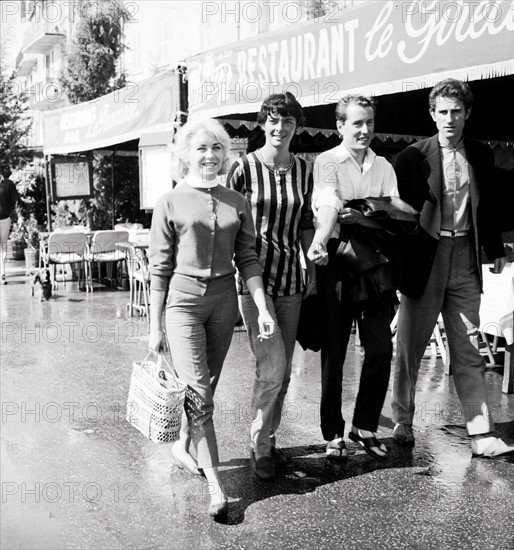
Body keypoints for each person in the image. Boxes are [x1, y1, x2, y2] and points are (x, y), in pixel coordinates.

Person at [148, 119, 276, 518]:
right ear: (186, 154)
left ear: (226, 154)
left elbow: (248, 259)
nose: (210, 155)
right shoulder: (169, 203)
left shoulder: (236, 202)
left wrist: (263, 306)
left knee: (206, 389)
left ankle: (184, 446)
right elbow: (159, 270)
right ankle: (219, 490)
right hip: (182, 306)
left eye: (217, 148)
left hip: (224, 304)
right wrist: (154, 327)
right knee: (200, 397)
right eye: (202, 148)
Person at [391, 78, 514, 458]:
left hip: (465, 256)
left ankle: (481, 433)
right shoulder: (411, 157)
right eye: (443, 111)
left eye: (457, 111)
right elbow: (401, 217)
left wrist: (495, 248)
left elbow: (489, 204)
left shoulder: (481, 154)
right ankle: (402, 419)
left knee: (468, 346)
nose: (449, 118)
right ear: (432, 114)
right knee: (410, 347)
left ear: (468, 114)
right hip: (425, 259)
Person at [226, 93, 316, 479]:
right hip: (253, 281)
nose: (280, 129)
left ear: (297, 127)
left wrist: (312, 263)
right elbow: (228, 219)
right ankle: (259, 446)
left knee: (284, 369)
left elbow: (307, 224)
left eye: (289, 122)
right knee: (272, 363)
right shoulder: (243, 168)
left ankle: (270, 438)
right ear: (263, 123)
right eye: (274, 121)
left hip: (292, 281)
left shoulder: (305, 171)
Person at [307, 94, 399, 461]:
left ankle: (365, 426)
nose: (364, 130)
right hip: (336, 259)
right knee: (335, 351)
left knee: (380, 347)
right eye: (356, 123)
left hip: (375, 263)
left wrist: (364, 214)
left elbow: (396, 211)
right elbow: (329, 201)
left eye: (369, 123)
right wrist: (321, 237)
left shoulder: (384, 166)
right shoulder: (326, 161)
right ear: (340, 126)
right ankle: (333, 433)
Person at [0, 168, 20, 284]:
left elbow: (15, 201)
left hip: (5, 220)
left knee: (3, 246)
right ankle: (1, 273)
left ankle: (2, 273)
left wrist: (20, 216)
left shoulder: (8, 184)